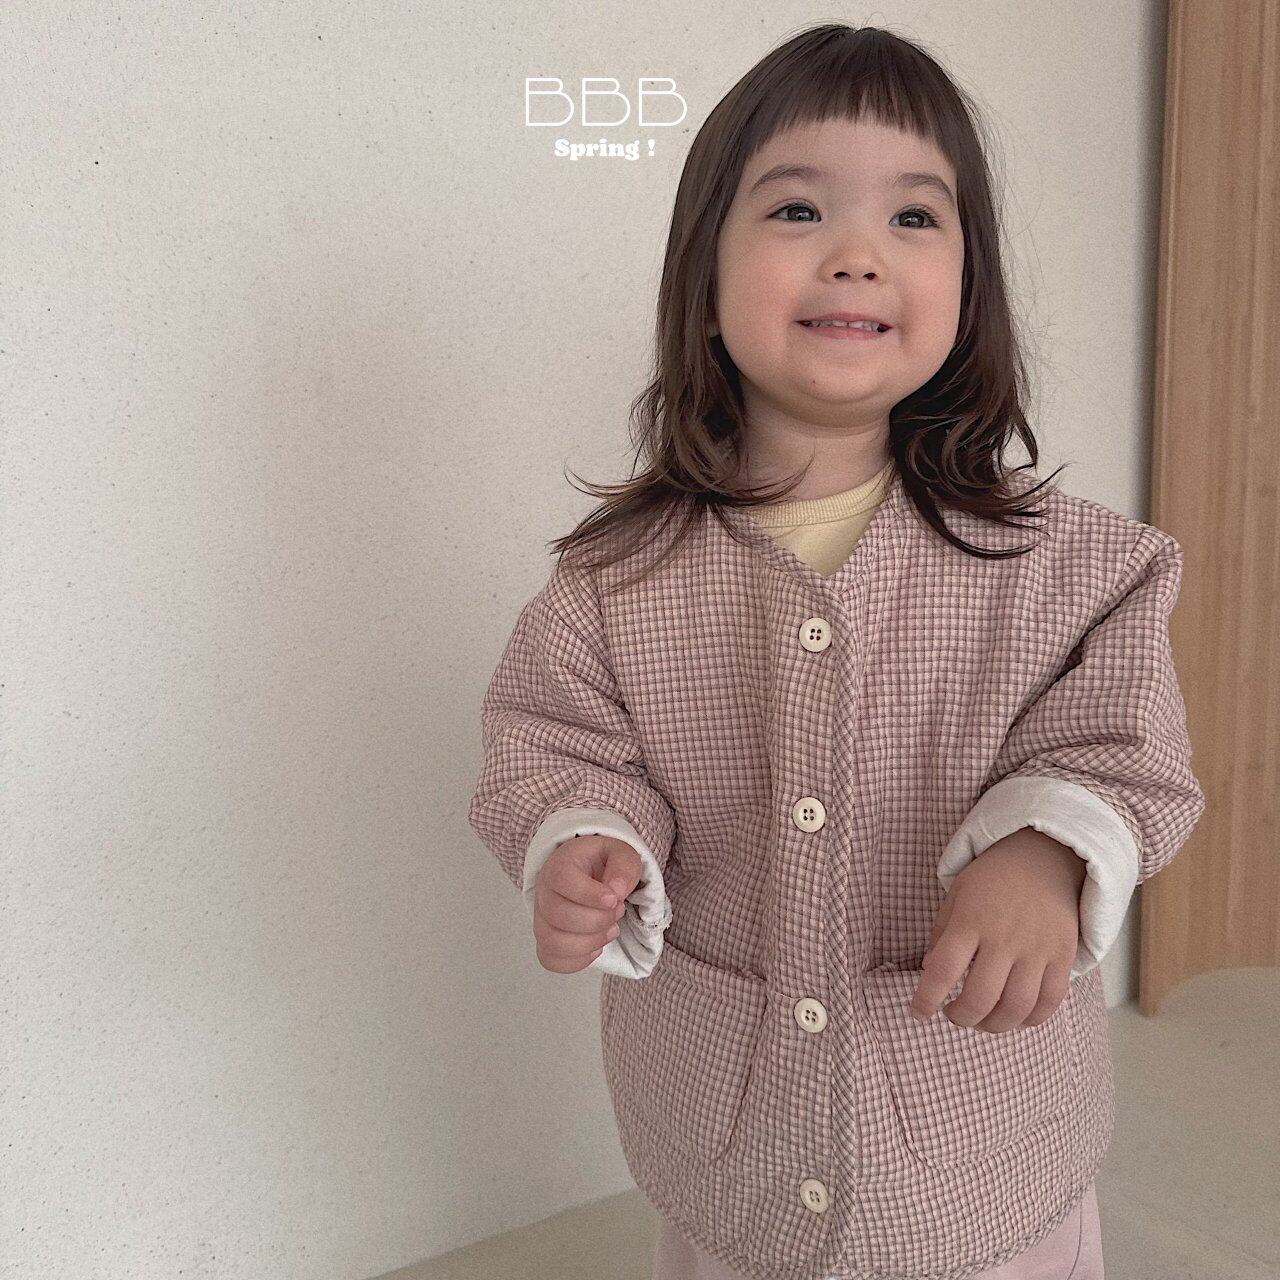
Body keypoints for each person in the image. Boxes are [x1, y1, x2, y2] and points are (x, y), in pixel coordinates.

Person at [468, 22, 1204, 1280]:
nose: (856, 253)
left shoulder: (1068, 566)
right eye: (797, 209)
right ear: (705, 272)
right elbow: (552, 740)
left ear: (968, 286)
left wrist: (1043, 850)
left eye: (913, 218)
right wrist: (586, 831)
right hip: (729, 1143)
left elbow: (1123, 748)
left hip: (983, 1152)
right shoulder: (615, 578)